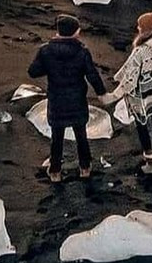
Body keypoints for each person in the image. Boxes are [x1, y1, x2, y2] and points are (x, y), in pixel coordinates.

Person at [28, 15, 106, 183]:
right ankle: (85, 168)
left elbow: (33, 71)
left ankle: (55, 171)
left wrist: (49, 67)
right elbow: (92, 75)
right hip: (77, 99)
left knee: (57, 138)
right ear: (75, 32)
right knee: (81, 136)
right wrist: (101, 93)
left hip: (57, 100)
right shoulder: (82, 51)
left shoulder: (46, 50)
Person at [108, 12, 152, 175]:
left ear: (145, 30)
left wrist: (115, 94)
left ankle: (150, 161)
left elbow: (130, 78)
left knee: (142, 127)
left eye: (140, 26)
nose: (138, 28)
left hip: (141, 96)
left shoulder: (140, 51)